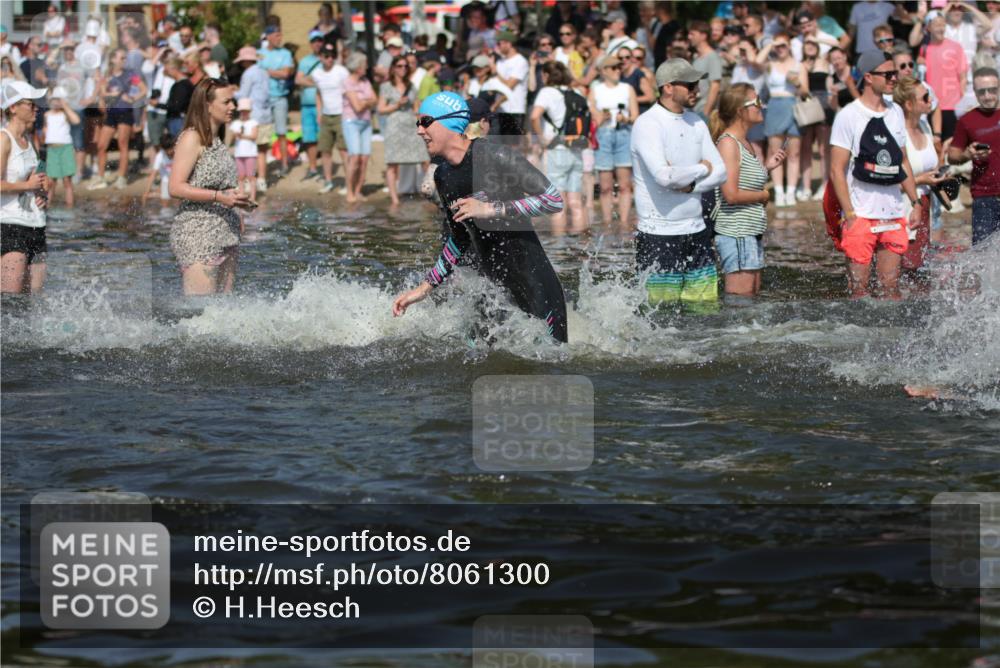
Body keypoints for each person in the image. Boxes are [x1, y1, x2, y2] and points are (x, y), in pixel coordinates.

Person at [391, 92, 568, 343]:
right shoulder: (443, 175)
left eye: (426, 121)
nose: (419, 130)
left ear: (450, 122)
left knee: (552, 371)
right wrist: (424, 289)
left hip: (536, 287)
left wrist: (490, 209)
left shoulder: (493, 155)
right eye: (418, 123)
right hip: (494, 294)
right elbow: (459, 239)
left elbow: (552, 200)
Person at [631, 58, 727, 307]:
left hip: (697, 230)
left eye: (697, 84)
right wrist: (700, 168)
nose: (697, 90)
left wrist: (693, 185)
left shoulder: (697, 122)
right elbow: (664, 176)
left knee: (705, 309)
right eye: (690, 84)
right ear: (668, 87)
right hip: (659, 234)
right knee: (661, 314)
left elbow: (721, 172)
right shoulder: (648, 123)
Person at [828, 50, 923, 299]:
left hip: (892, 212)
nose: (894, 78)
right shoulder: (848, 115)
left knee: (891, 289)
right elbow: (836, 170)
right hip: (860, 214)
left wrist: (915, 202)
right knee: (859, 291)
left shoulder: (896, 112)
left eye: (895, 73)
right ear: (869, 77)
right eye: (888, 73)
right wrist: (849, 214)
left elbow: (902, 161)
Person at [169, 79, 252, 295]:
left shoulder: (218, 142)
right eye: (226, 102)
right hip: (198, 234)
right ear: (207, 104)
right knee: (201, 317)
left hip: (227, 233)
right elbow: (175, 187)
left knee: (222, 314)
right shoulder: (191, 137)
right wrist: (219, 197)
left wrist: (238, 206)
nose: (233, 107)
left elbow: (223, 185)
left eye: (232, 101)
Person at [710, 84, 787, 298]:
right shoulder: (728, 143)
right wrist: (763, 195)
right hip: (736, 233)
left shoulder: (744, 143)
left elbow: (743, 181)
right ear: (739, 110)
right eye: (756, 102)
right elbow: (731, 194)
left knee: (751, 299)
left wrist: (767, 168)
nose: (761, 106)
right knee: (740, 305)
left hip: (750, 231)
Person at [893, 75, 946, 273]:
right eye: (925, 97)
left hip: (927, 207)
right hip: (903, 210)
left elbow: (929, 167)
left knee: (923, 271)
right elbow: (886, 182)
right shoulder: (897, 133)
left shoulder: (925, 127)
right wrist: (921, 179)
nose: (930, 100)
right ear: (908, 104)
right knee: (905, 270)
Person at [1, 81, 49, 294]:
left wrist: (42, 191)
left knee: (35, 302)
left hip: (36, 225)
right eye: (31, 104)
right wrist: (28, 185)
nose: (36, 108)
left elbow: (39, 177)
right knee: (10, 304)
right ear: (13, 108)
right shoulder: (4, 139)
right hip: (10, 227)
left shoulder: (30, 140)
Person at [531, 61, 587, 235]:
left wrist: (541, 139)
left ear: (547, 76)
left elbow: (534, 116)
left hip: (556, 150)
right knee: (576, 203)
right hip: (576, 151)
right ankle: (580, 248)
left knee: (558, 205)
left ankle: (560, 251)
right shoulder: (576, 92)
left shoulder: (547, 92)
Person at [948, 67, 1000, 245]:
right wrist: (968, 154)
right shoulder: (967, 120)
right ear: (975, 93)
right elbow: (952, 157)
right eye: (982, 91)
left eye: (992, 90)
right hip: (984, 198)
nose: (987, 96)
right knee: (982, 255)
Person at [589, 55, 638, 229]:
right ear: (603, 71)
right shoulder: (596, 89)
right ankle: (607, 223)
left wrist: (624, 118)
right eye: (613, 68)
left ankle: (624, 223)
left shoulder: (627, 88)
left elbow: (635, 117)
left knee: (625, 185)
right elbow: (592, 117)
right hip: (604, 135)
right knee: (605, 186)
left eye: (619, 67)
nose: (618, 70)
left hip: (623, 134)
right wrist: (602, 117)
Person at [91, 48, 147, 191]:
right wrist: (109, 95)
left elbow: (144, 89)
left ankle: (121, 177)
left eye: (124, 58)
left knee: (123, 144)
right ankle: (101, 176)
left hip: (125, 111)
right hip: (111, 113)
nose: (124, 61)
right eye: (121, 58)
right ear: (113, 60)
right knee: (102, 145)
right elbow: (103, 93)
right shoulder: (107, 75)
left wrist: (133, 98)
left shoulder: (130, 74)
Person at [378, 55, 430, 207]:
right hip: (394, 126)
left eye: (405, 66)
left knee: (424, 160)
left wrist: (422, 120)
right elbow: (381, 109)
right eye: (400, 66)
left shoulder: (412, 85)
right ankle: (395, 199)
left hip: (410, 125)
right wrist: (396, 105)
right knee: (392, 163)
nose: (403, 69)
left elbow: (416, 107)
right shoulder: (386, 86)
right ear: (393, 68)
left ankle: (430, 193)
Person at [756, 34, 802, 206]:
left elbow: (805, 92)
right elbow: (757, 60)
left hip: (793, 105)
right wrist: (770, 44)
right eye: (778, 46)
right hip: (775, 105)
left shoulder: (799, 65)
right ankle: (779, 192)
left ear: (789, 45)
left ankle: (791, 191)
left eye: (783, 45)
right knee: (775, 153)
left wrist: (797, 83)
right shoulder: (771, 64)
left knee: (794, 153)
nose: (780, 48)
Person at [308, 42, 349, 195]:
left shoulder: (341, 71)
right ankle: (328, 180)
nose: (330, 59)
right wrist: (319, 112)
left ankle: (348, 183)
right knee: (325, 151)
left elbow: (348, 91)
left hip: (341, 115)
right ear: (321, 57)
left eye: (333, 56)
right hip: (326, 115)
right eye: (326, 56)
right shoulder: (317, 74)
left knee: (344, 150)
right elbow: (318, 93)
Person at [921, 13, 968, 142]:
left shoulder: (955, 47)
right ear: (928, 27)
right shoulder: (924, 49)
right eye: (937, 24)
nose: (941, 28)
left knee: (952, 145)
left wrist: (963, 102)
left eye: (943, 24)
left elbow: (963, 77)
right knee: (935, 146)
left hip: (952, 106)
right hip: (931, 106)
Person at [234, 46, 273, 193]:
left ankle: (251, 181)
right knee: (262, 149)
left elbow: (243, 94)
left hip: (253, 115)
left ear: (245, 61)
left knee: (250, 149)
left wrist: (233, 91)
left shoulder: (248, 74)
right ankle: (262, 180)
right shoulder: (264, 72)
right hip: (266, 114)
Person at [797, 38, 832, 201]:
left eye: (813, 44)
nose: (810, 47)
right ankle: (806, 186)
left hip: (824, 106)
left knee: (824, 149)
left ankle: (825, 184)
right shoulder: (801, 64)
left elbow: (837, 44)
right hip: (807, 106)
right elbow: (801, 88)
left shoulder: (824, 60)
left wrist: (815, 37)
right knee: (806, 149)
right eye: (807, 44)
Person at [258, 25, 294, 177]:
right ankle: (263, 165)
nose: (280, 38)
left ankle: (284, 163)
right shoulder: (260, 54)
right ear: (269, 36)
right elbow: (257, 74)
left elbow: (286, 73)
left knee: (281, 132)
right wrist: (276, 73)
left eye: (281, 35)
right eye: (277, 35)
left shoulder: (285, 53)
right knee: (264, 132)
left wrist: (267, 72)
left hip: (279, 97)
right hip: (264, 99)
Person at [342, 51, 375, 203]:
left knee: (364, 158)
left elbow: (375, 99)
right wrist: (366, 101)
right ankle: (349, 191)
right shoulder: (347, 82)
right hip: (351, 121)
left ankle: (358, 190)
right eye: (364, 64)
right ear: (357, 66)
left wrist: (365, 102)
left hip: (366, 122)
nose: (366, 67)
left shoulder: (365, 81)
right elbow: (357, 107)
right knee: (354, 157)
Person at [43, 86, 79, 208]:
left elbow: (76, 120)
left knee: (67, 180)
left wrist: (65, 106)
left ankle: (70, 206)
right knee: (51, 181)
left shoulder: (65, 114)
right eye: (54, 99)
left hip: (65, 148)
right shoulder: (47, 114)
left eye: (58, 100)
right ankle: (47, 205)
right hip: (52, 149)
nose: (56, 102)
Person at [296, 30, 325, 181]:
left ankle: (326, 172)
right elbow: (298, 80)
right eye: (315, 41)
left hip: (323, 107)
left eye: (320, 40)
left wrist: (308, 81)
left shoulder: (327, 60)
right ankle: (313, 168)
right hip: (307, 105)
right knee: (309, 138)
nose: (317, 43)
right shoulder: (305, 61)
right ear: (311, 43)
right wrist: (315, 82)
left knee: (324, 138)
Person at [493, 31, 530, 140]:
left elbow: (509, 86)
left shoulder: (520, 61)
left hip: (515, 110)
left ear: (509, 44)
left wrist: (495, 73)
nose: (497, 47)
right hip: (500, 110)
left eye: (499, 43)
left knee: (513, 147)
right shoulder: (500, 61)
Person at [688, 21, 722, 119]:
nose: (689, 37)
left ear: (703, 36)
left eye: (692, 34)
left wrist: (706, 112)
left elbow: (715, 86)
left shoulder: (712, 57)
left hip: (703, 111)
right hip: (693, 109)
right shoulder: (696, 57)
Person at [230, 97, 259, 201]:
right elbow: (232, 137)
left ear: (249, 112)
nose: (244, 113)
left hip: (250, 153)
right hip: (239, 153)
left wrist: (241, 136)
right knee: (240, 176)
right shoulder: (235, 124)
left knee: (251, 176)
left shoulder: (253, 122)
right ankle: (241, 194)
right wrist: (236, 135)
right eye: (242, 111)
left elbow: (254, 136)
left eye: (245, 111)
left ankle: (252, 197)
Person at [141, 132, 176, 205]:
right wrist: (146, 192)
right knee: (165, 204)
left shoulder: (179, 152)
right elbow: (153, 175)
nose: (169, 152)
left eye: (171, 148)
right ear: (162, 148)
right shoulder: (160, 156)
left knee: (178, 202)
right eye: (167, 150)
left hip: (178, 180)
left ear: (174, 145)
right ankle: (154, 194)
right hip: (166, 181)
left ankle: (155, 193)